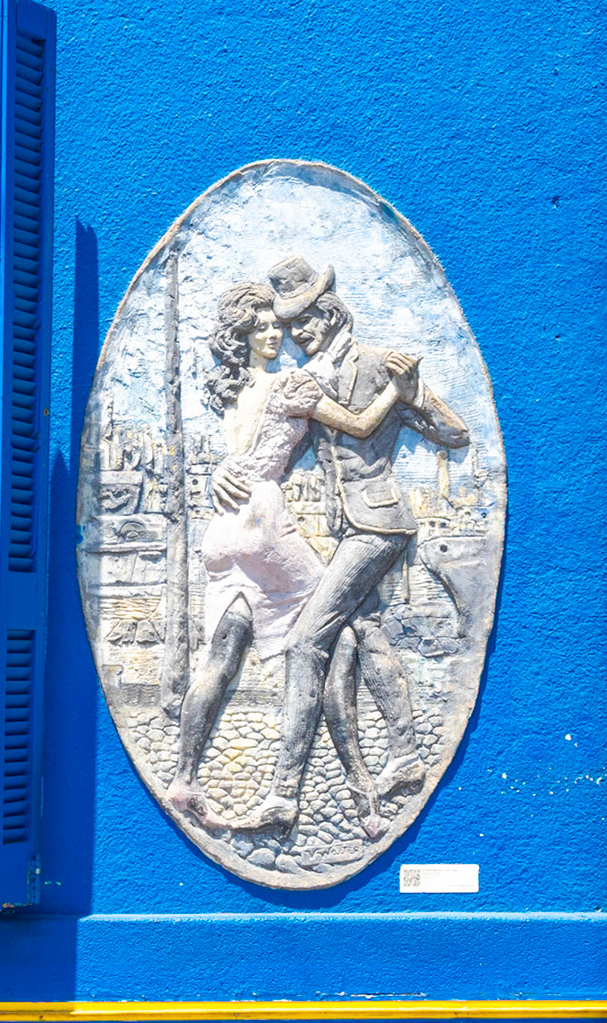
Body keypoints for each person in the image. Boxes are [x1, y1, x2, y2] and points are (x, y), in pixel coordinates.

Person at [225, 259, 469, 832]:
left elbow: (455, 433)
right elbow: (272, 452)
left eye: (304, 321)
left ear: (331, 313)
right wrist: (226, 472)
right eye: (290, 325)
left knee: (305, 641)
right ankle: (405, 755)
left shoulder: (380, 364)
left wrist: (413, 392)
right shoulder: (307, 377)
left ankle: (284, 792)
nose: (296, 334)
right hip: (347, 528)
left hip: (380, 523)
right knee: (371, 632)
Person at [166, 281, 413, 835]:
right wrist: (397, 391)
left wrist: (220, 473)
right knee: (337, 635)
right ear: (244, 337)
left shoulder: (230, 388)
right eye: (263, 328)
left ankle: (184, 779)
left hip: (223, 530)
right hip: (263, 520)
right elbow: (360, 424)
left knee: (220, 659)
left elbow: (235, 456)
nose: (276, 335)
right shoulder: (291, 383)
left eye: (277, 325)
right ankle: (361, 794)